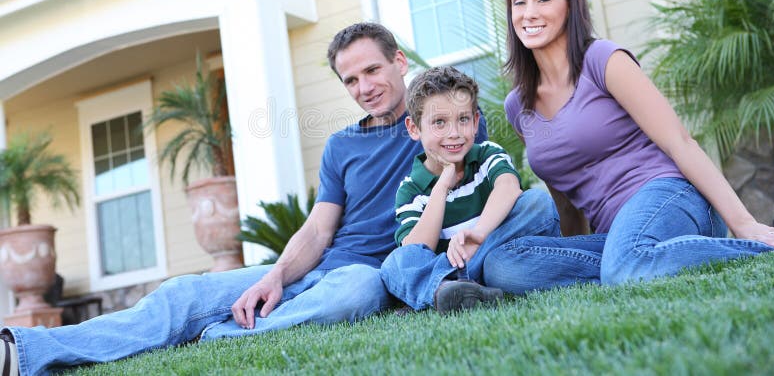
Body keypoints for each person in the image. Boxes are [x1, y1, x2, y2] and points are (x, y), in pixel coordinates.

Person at [1, 22, 496, 376]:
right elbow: (319, 230)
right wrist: (274, 276)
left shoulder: (447, 124)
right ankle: (26, 351)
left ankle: (213, 336)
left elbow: (488, 188)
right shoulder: (341, 145)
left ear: (400, 62)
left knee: (353, 293)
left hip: (374, 274)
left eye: (372, 70)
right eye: (351, 80)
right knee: (184, 294)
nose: (365, 87)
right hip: (323, 265)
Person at [480, 0, 774, 295]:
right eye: (519, 2)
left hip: (670, 196)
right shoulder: (518, 105)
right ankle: (632, 264)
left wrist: (744, 222)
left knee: (625, 266)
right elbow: (567, 199)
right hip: (616, 234)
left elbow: (680, 142)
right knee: (503, 265)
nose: (529, 12)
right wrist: (567, 250)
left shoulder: (602, 60)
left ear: (570, 6)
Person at [380, 66, 558, 312]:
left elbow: (508, 186)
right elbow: (419, 248)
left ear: (475, 122)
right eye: (439, 123)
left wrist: (480, 235)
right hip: (447, 270)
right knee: (396, 263)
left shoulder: (486, 154)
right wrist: (442, 186)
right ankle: (444, 289)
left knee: (536, 202)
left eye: (463, 119)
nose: (453, 133)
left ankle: (458, 289)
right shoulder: (410, 190)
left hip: (498, 253)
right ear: (414, 128)